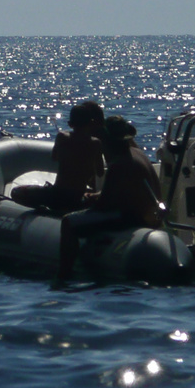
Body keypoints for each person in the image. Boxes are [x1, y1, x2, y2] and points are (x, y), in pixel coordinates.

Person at [57, 115, 163, 279]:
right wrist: (97, 195)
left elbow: (104, 205)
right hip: (148, 214)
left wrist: (90, 201)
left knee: (68, 222)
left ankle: (64, 275)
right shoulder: (137, 153)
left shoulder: (119, 165)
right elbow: (126, 191)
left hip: (135, 218)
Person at [11, 100, 105, 214]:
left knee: (16, 192)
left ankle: (45, 211)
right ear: (91, 123)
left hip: (56, 195)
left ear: (70, 124)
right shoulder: (96, 143)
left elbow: (55, 157)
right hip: (76, 198)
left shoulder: (62, 137)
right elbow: (100, 172)